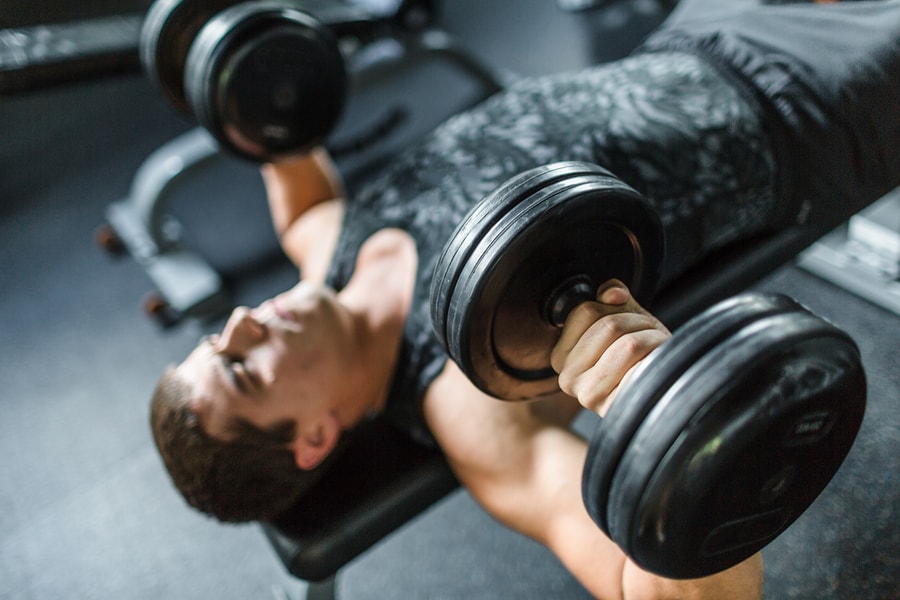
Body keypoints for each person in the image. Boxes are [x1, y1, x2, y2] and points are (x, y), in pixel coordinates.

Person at [149, 1, 900, 598]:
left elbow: (285, 149)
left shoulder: (323, 250)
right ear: (312, 435)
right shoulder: (472, 406)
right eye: (244, 370)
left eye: (220, 338)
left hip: (687, 42)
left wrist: (242, 80)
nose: (245, 323)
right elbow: (648, 586)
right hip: (809, 114)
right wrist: (671, 422)